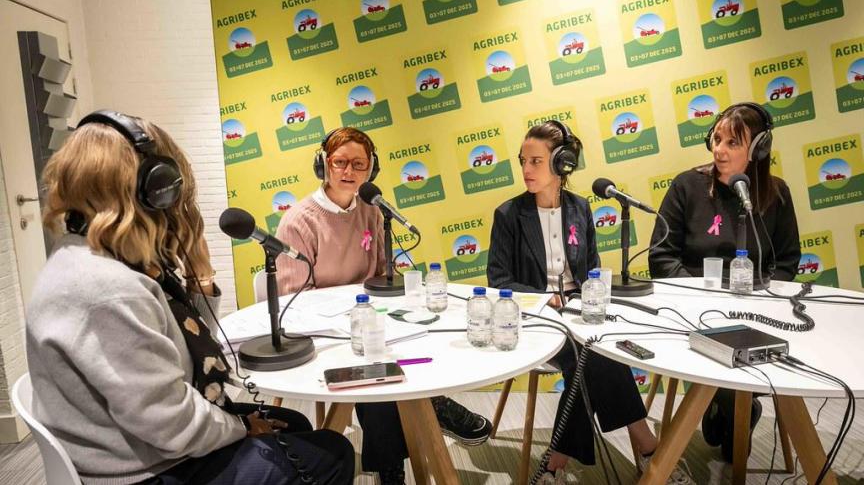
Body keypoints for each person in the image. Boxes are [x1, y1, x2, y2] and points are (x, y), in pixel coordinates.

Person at [26, 111, 354, 485]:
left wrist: (199, 274)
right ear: (153, 189)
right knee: (332, 452)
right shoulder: (107, 288)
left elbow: (193, 345)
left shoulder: (98, 257)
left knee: (292, 422)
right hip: (149, 471)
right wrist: (242, 427)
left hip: (137, 444)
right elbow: (171, 423)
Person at [275, 127, 492, 485]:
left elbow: (379, 274)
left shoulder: (372, 211)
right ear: (323, 165)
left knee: (408, 341)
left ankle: (405, 444)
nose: (348, 171)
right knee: (373, 366)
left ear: (371, 169)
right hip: (322, 330)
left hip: (368, 319)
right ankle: (412, 439)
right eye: (339, 162)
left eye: (358, 164)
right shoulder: (299, 220)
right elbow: (295, 300)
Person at [488, 121, 694, 484]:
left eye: (536, 161)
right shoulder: (508, 215)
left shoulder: (581, 209)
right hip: (537, 320)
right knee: (594, 355)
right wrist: (543, 299)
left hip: (581, 315)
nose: (526, 169)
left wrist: (590, 299)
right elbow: (499, 281)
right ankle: (648, 448)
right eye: (523, 160)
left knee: (597, 350)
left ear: (562, 164)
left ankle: (556, 462)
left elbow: (591, 270)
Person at [648, 102, 801, 462]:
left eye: (733, 142)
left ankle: (730, 404)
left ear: (759, 148)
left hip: (753, 313)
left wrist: (761, 303)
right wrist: (697, 297)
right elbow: (661, 255)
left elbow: (787, 261)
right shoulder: (687, 185)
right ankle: (733, 405)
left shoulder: (776, 194)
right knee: (732, 434)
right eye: (716, 139)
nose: (720, 150)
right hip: (692, 307)